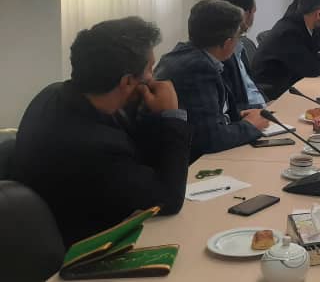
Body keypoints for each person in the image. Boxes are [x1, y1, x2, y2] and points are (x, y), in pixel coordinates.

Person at [13, 17, 192, 246]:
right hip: (87, 249)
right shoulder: (92, 147)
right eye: (150, 69)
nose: (153, 77)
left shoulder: (55, 94)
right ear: (127, 82)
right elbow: (168, 199)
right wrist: (172, 115)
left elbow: (141, 158)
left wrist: (150, 113)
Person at [155, 0, 269, 159]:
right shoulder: (198, 68)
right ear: (228, 43)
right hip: (193, 161)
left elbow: (208, 115)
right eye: (238, 36)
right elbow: (211, 139)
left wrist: (240, 115)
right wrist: (250, 126)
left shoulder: (180, 54)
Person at [252, 0, 320, 99]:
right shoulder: (290, 32)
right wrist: (319, 65)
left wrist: (319, 64)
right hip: (273, 91)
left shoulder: (302, 25)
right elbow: (311, 69)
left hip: (288, 84)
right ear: (318, 14)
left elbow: (315, 60)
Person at [215, 0, 266, 109]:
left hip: (261, 109)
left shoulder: (240, 46)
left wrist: (268, 104)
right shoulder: (222, 52)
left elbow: (252, 87)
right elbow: (231, 106)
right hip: (249, 115)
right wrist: (260, 108)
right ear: (245, 15)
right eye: (253, 11)